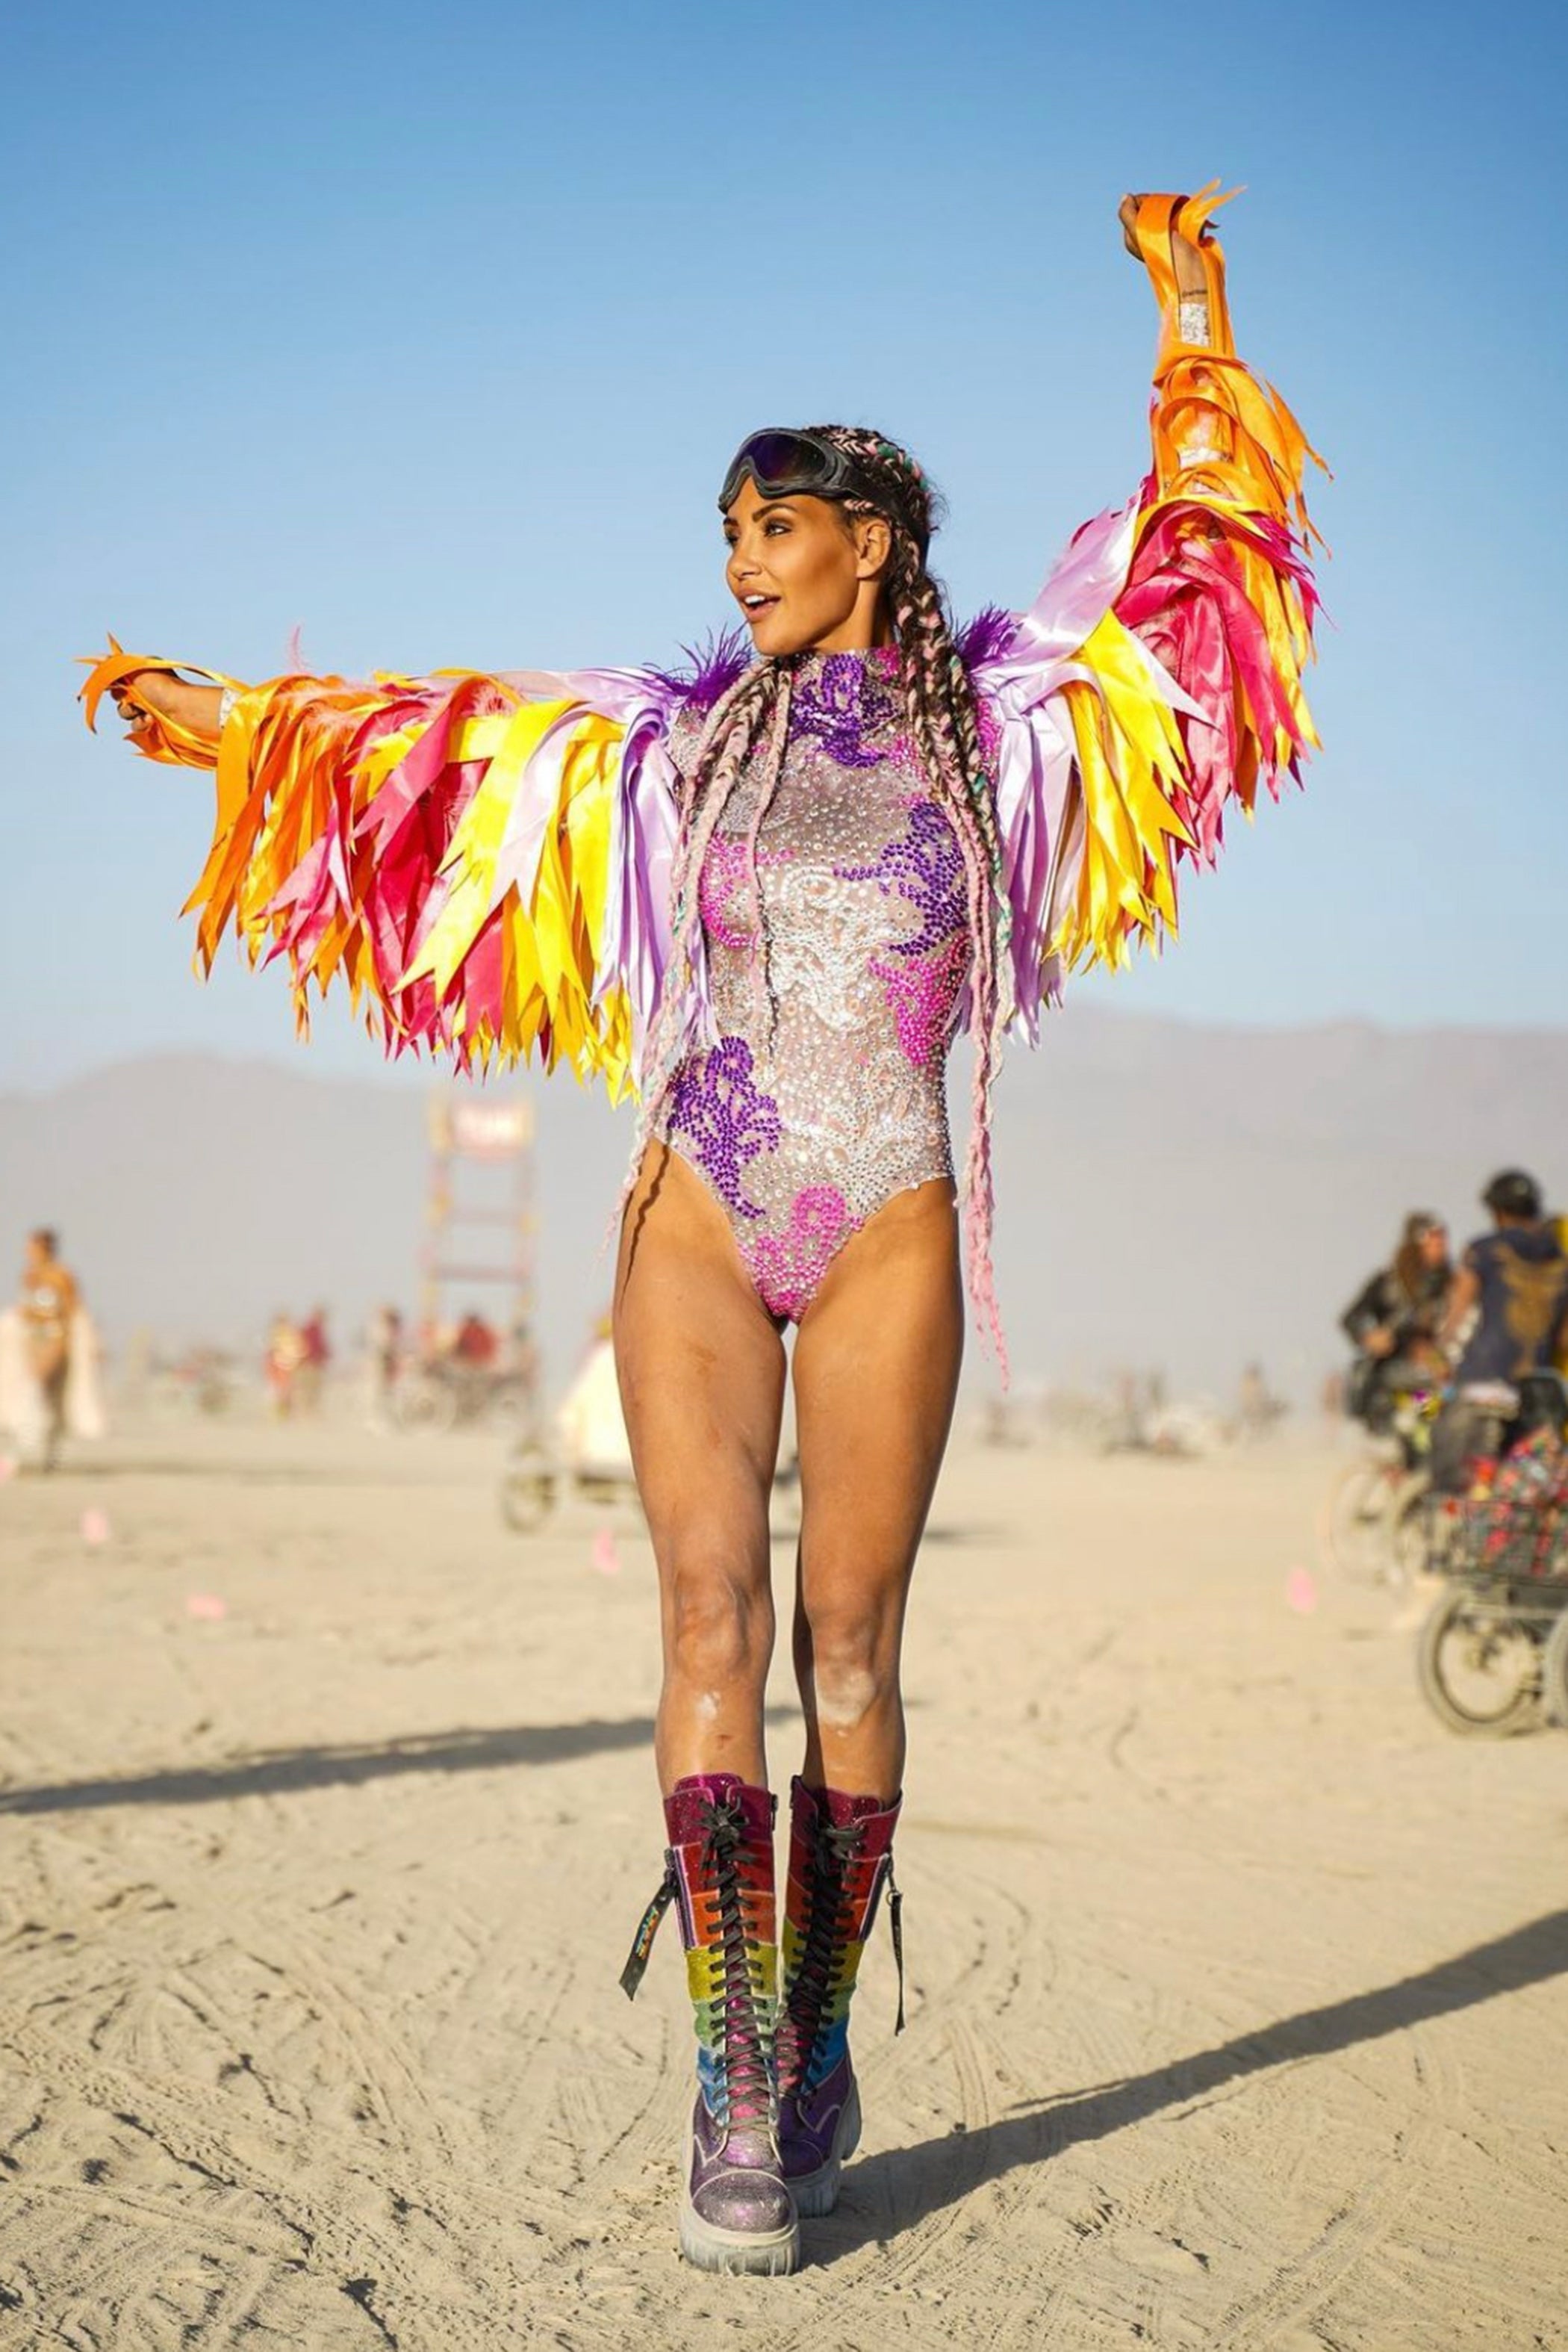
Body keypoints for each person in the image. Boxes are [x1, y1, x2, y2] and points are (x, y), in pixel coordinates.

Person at [81, 187, 1323, 2274]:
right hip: (690, 1207)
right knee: (698, 1620)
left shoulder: (1003, 732)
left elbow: (1191, 597)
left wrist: (1189, 313)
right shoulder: (668, 750)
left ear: (870, 542)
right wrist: (253, 732)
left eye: (772, 524)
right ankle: (733, 2070)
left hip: (887, 1219)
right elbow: (461, 748)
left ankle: (820, 2031)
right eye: (724, 530)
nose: (739, 558)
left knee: (849, 1643)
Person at [1430, 1173, 1568, 1493]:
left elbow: (1455, 1316)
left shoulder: (1484, 1251)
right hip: (1536, 1392)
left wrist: (1436, 1358)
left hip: (1480, 1380)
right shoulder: (1561, 1262)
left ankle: (1431, 1485)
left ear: (1497, 1212)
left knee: (1428, 1408)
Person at [1340, 1211, 1452, 1439]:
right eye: (1433, 1240)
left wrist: (1437, 1357)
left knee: (1431, 1430)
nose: (1441, 1247)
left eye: (1442, 1240)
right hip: (1389, 1380)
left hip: (1429, 1383)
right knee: (1390, 1437)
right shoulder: (1388, 1284)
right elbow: (1352, 1317)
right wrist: (1370, 1336)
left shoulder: (1453, 1286)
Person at [0, 1231, 105, 1469]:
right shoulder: (29, 1275)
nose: (28, 1251)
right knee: (36, 1393)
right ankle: (38, 1451)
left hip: (56, 1341)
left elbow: (72, 1309)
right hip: (32, 1340)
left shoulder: (62, 1276)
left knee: (44, 1394)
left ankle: (33, 1451)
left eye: (32, 1246)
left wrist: (82, 1344)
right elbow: (27, 1308)